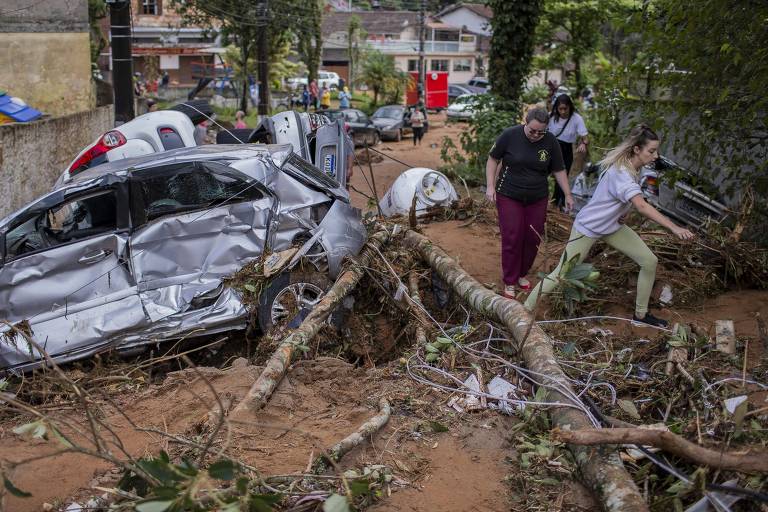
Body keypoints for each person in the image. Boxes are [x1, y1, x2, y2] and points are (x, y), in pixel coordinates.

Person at [524, 124, 695, 327]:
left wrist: (623, 213)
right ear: (637, 150)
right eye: (651, 151)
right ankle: (523, 311)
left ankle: (640, 316)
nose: (656, 156)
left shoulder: (634, 169)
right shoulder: (622, 173)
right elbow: (641, 205)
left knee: (649, 261)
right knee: (561, 273)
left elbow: (624, 200)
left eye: (656, 151)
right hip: (588, 227)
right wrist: (675, 228)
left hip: (612, 227)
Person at [486, 107, 572, 299]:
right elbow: (493, 159)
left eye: (540, 132)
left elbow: (559, 169)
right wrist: (490, 186)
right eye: (532, 130)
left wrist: (567, 194)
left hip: (537, 196)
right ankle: (509, 280)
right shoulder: (510, 135)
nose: (535, 135)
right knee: (512, 235)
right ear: (526, 122)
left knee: (533, 237)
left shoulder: (550, 142)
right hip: (509, 193)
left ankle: (521, 274)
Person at [548, 94, 589, 209]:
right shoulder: (551, 116)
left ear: (570, 107)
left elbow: (585, 137)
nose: (562, 111)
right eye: (560, 108)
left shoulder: (576, 119)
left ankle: (558, 203)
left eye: (565, 108)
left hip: (566, 149)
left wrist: (583, 144)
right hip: (551, 146)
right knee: (542, 172)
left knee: (562, 177)